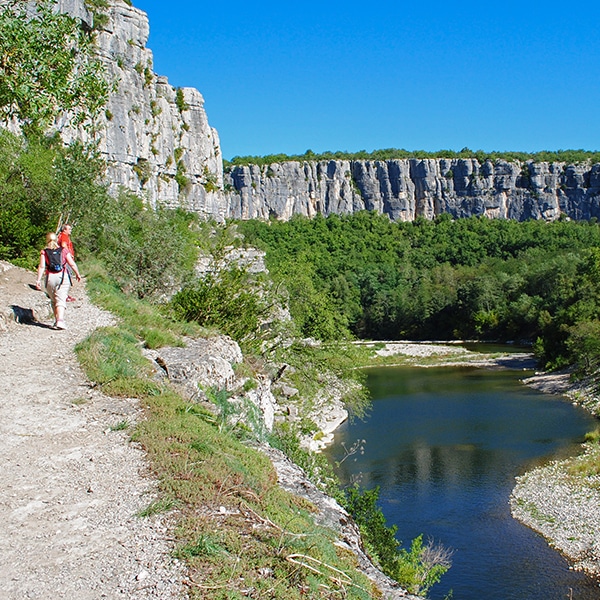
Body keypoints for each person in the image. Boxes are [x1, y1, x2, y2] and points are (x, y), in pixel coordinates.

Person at [35, 232, 81, 330]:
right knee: (61, 298)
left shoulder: (44, 252)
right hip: (62, 276)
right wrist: (77, 273)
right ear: (56, 240)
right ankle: (60, 320)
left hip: (49, 278)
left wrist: (38, 280)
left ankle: (57, 320)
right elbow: (71, 264)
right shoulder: (63, 250)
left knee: (53, 299)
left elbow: (42, 266)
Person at [57, 223, 76, 302]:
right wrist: (69, 254)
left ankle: (62, 294)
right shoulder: (64, 236)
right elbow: (64, 245)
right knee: (67, 276)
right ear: (65, 230)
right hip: (66, 259)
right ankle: (64, 296)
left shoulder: (61, 235)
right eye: (69, 229)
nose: (70, 230)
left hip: (63, 259)